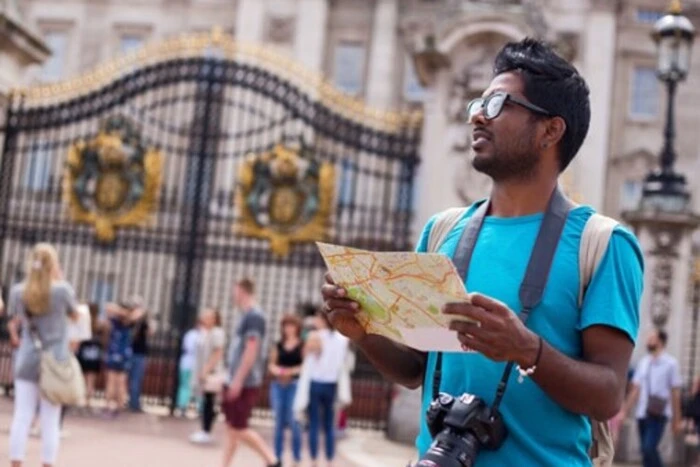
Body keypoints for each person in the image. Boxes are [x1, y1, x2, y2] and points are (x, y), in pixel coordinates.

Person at [321, 38, 644, 466]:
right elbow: (416, 369)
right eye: (479, 101)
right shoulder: (442, 232)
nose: (476, 114)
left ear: (551, 130)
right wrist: (362, 330)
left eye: (497, 104)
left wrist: (528, 349)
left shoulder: (603, 244)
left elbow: (608, 394)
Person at [7, 243, 79, 467]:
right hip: (55, 359)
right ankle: (47, 464)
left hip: (28, 357)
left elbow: (15, 318)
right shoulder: (62, 290)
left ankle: (16, 462)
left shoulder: (18, 291)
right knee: (51, 420)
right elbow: (76, 316)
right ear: (54, 264)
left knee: (22, 416)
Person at [221, 278, 280, 467]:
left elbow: (251, 349)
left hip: (245, 381)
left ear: (242, 291)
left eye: (235, 290)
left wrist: (238, 380)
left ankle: (272, 461)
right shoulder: (246, 315)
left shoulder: (254, 317)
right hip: (238, 379)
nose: (233, 295)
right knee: (232, 427)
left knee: (238, 428)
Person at [294, 310, 349, 467]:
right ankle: (330, 460)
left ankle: (314, 459)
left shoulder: (314, 336)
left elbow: (305, 357)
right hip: (331, 384)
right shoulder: (342, 339)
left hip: (315, 383)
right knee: (329, 425)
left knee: (314, 424)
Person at [621, 329, 683, 467]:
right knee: (644, 450)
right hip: (642, 412)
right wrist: (625, 410)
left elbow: (675, 392)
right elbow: (635, 389)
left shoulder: (671, 364)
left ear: (660, 341)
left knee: (649, 448)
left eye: (651, 338)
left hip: (659, 413)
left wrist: (676, 419)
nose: (647, 341)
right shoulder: (644, 362)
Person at [268, 313, 304, 466]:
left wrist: (290, 372)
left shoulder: (302, 345)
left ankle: (296, 457)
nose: (288, 329)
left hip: (294, 386)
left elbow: (305, 366)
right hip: (278, 385)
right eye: (286, 326)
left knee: (294, 422)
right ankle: (277, 457)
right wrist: (279, 371)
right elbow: (271, 364)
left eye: (291, 325)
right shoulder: (278, 345)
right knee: (278, 423)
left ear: (297, 328)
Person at [104, 297, 145, 418]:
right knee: (118, 382)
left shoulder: (118, 320)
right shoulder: (128, 320)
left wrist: (122, 311)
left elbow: (109, 307)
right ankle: (117, 407)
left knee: (116, 382)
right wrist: (127, 312)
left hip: (117, 352)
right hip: (122, 353)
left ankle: (111, 406)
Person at [190, 308, 226, 444]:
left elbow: (217, 352)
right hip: (203, 370)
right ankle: (204, 428)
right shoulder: (204, 332)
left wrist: (205, 370)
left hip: (211, 372)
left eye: (208, 316)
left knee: (209, 401)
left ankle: (206, 430)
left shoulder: (217, 332)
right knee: (206, 400)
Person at [77, 303, 105, 411]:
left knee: (82, 379)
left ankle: (82, 400)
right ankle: (88, 402)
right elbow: (104, 339)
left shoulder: (84, 322)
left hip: (84, 352)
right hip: (94, 353)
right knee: (91, 380)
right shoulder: (100, 324)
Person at [128, 307, 154, 413]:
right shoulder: (133, 322)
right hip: (137, 354)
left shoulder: (142, 323)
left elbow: (150, 332)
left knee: (134, 379)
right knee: (135, 379)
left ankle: (133, 401)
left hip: (136, 353)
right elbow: (151, 332)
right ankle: (134, 403)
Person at [176, 319, 201, 416]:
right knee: (191, 386)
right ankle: (187, 406)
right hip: (192, 364)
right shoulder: (197, 335)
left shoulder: (190, 334)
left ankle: (183, 405)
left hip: (188, 363)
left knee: (187, 385)